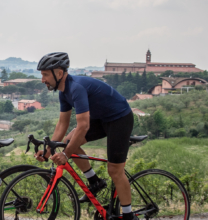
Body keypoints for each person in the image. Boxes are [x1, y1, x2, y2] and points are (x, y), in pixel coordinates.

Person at [34, 52, 137, 220]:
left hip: (119, 118)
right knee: (67, 141)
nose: (42, 79)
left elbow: (83, 126)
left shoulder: (76, 88)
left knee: (115, 171)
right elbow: (62, 125)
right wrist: (48, 151)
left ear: (59, 73)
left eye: (45, 74)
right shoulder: (63, 92)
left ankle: (129, 215)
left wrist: (66, 155)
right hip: (101, 119)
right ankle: (95, 181)